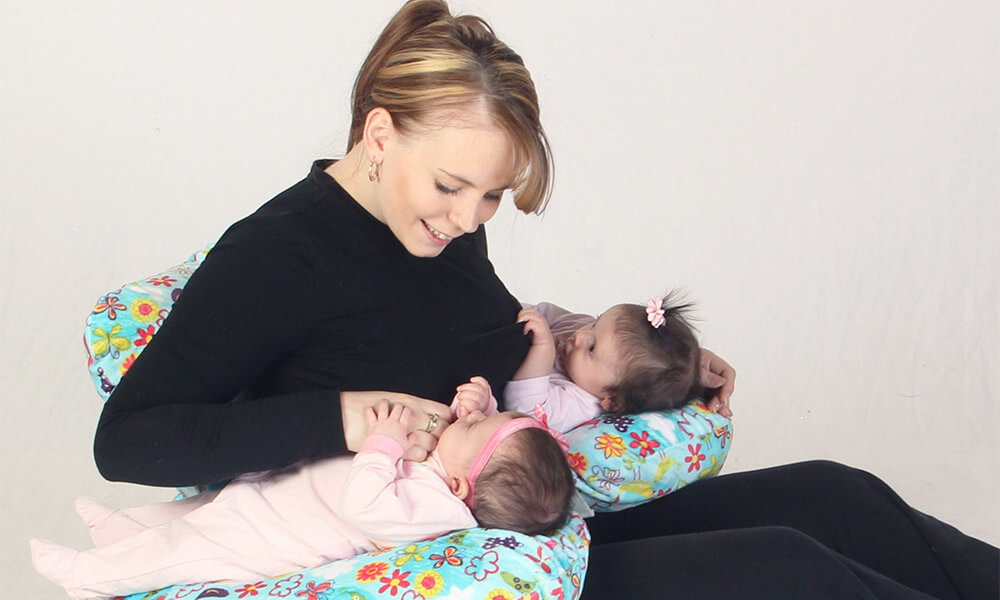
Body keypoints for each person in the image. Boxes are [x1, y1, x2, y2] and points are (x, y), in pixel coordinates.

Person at [83, 1, 998, 599]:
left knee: (835, 497)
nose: (466, 219)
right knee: (786, 568)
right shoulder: (276, 256)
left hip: (536, 499)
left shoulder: (437, 225)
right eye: (451, 187)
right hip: (450, 552)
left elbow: (506, 341)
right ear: (379, 134)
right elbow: (128, 438)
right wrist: (344, 416)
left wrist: (660, 370)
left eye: (491, 197)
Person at [32, 384, 574, 600]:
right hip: (272, 499)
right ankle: (119, 530)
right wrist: (477, 405)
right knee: (190, 514)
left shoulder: (438, 510)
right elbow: (476, 437)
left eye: (474, 426)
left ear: (459, 485)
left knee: (184, 549)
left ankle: (89, 577)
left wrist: (384, 443)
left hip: (272, 539)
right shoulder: (449, 468)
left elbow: (364, 505)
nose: (466, 419)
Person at [506, 293, 703, 432]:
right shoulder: (581, 330)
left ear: (613, 400)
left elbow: (525, 411)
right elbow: (536, 312)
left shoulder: (579, 404)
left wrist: (542, 348)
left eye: (592, 349)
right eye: (595, 323)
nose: (580, 335)